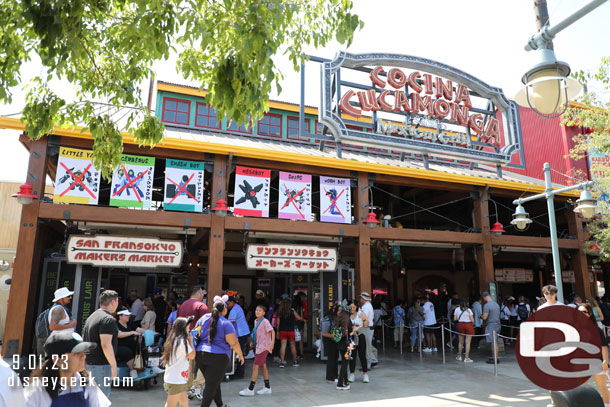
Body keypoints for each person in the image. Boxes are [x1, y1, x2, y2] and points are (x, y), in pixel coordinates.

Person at [25, 330, 110, 407]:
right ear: (57, 360)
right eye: (76, 353)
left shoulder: (87, 383)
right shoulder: (36, 392)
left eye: (83, 351)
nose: (83, 356)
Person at [193, 295, 245, 407]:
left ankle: (220, 405)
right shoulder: (226, 323)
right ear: (225, 309)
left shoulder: (203, 319)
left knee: (213, 381)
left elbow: (195, 335)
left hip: (200, 354)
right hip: (219, 357)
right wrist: (240, 355)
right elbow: (234, 342)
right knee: (211, 384)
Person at [82, 289, 119, 398]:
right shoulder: (108, 319)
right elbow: (106, 345)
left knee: (90, 398)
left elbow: (84, 339)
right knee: (101, 399)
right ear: (113, 302)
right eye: (117, 302)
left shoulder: (91, 317)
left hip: (89, 363)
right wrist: (114, 365)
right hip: (101, 365)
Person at [178, 285, 209, 395]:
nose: (203, 295)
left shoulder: (182, 305)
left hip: (183, 339)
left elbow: (178, 323)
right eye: (202, 293)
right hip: (198, 340)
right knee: (203, 365)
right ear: (198, 293)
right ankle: (197, 387)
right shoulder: (202, 306)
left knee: (188, 365)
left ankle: (188, 387)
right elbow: (206, 325)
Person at [578, 303, 610, 406]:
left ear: (589, 314)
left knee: (602, 387)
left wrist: (605, 361)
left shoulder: (596, 329)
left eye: (583, 312)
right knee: (582, 388)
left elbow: (604, 346)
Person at [239, 304, 275, 396]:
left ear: (264, 313)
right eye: (256, 310)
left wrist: (272, 344)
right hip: (259, 346)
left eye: (259, 310)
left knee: (255, 366)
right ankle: (267, 387)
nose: (257, 312)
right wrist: (253, 342)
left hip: (263, 347)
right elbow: (258, 334)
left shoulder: (265, 321)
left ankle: (251, 389)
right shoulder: (256, 321)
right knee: (263, 366)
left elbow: (272, 331)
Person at [163, 317, 195, 407]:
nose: (189, 329)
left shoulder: (174, 339)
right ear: (183, 328)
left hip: (176, 379)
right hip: (176, 380)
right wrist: (191, 341)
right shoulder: (182, 342)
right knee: (170, 405)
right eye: (188, 327)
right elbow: (192, 355)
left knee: (184, 403)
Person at [37, 287, 77, 356]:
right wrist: (70, 325)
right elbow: (52, 326)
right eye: (68, 296)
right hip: (59, 345)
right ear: (61, 298)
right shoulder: (59, 309)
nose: (70, 297)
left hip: (61, 344)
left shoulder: (60, 308)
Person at [226, 295, 250, 379]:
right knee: (239, 352)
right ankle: (239, 371)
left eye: (228, 304)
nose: (227, 305)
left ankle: (240, 373)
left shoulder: (234, 310)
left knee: (239, 353)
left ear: (232, 302)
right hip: (242, 332)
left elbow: (229, 324)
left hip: (240, 333)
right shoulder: (237, 307)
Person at [276, 296, 303, 367]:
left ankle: (282, 361)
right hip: (291, 330)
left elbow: (278, 323)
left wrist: (277, 332)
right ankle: (295, 361)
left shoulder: (279, 311)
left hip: (282, 330)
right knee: (292, 346)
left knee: (283, 345)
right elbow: (299, 318)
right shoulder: (292, 310)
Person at [332, 307, 355, 390]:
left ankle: (346, 382)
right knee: (345, 364)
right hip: (348, 346)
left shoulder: (338, 320)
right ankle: (340, 384)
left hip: (340, 345)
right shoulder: (348, 321)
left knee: (344, 363)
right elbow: (351, 333)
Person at [348, 300, 370, 383]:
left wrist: (363, 321)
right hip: (351, 337)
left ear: (356, 307)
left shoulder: (360, 313)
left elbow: (367, 323)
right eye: (350, 307)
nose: (352, 309)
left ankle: (365, 374)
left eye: (353, 307)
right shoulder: (347, 315)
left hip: (360, 336)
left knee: (362, 355)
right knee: (352, 356)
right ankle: (352, 374)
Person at [115, 307, 139, 379]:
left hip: (131, 345)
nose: (128, 316)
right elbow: (119, 334)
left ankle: (146, 367)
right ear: (120, 316)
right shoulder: (115, 324)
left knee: (141, 347)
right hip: (118, 347)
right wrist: (132, 332)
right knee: (127, 351)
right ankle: (132, 370)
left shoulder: (129, 324)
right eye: (126, 315)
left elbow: (138, 329)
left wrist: (149, 332)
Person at [481, 291, 501, 365]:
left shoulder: (487, 305)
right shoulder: (496, 304)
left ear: (484, 297)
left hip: (491, 325)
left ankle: (495, 359)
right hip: (497, 324)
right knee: (495, 342)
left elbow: (485, 317)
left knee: (493, 342)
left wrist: (480, 316)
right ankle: (495, 357)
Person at [359, 292, 378, 368]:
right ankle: (373, 360)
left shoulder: (366, 307)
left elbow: (363, 317)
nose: (360, 299)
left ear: (363, 299)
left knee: (367, 347)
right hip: (368, 328)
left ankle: (368, 365)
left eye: (361, 298)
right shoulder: (367, 305)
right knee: (368, 345)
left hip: (367, 328)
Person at [321, 303, 338, 382]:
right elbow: (324, 333)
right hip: (329, 340)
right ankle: (330, 377)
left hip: (335, 340)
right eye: (339, 310)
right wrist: (334, 336)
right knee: (331, 358)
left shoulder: (337, 318)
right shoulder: (327, 319)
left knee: (335, 357)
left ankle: (335, 375)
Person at [453, 298, 474, 363]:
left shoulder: (457, 309)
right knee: (467, 343)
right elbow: (472, 320)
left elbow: (455, 319)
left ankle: (459, 356)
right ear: (466, 303)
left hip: (460, 325)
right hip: (468, 325)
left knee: (460, 342)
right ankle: (466, 358)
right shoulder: (469, 310)